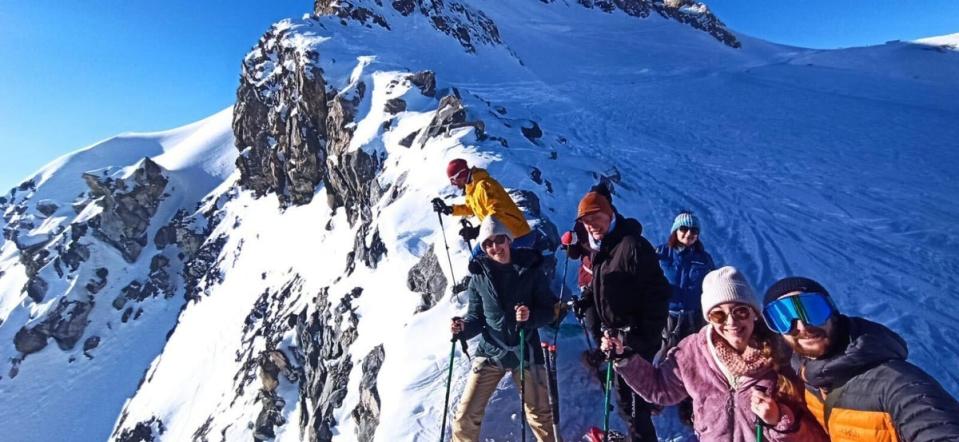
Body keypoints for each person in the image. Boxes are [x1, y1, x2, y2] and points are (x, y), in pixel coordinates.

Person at [603, 267, 828, 442]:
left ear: (755, 314)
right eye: (719, 315)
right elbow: (661, 389)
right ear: (709, 318)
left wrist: (780, 419)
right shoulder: (692, 351)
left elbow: (816, 433)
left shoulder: (785, 356)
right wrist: (625, 359)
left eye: (740, 311)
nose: (731, 322)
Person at [761, 277, 959, 441]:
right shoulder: (805, 377)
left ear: (833, 312)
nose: (802, 327)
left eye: (812, 310)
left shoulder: (897, 383)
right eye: (784, 318)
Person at [574, 188, 671, 441]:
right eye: (586, 221)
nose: (592, 225)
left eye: (597, 217)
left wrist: (638, 337)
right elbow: (602, 285)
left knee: (636, 406)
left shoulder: (632, 246)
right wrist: (586, 301)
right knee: (627, 402)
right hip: (617, 341)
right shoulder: (603, 247)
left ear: (610, 213)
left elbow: (658, 294)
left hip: (636, 342)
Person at [450, 216, 557, 441]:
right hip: (491, 351)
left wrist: (529, 318)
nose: (494, 247)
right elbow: (476, 318)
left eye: (499, 240)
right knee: (465, 417)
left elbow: (549, 311)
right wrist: (462, 328)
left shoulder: (530, 269)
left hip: (525, 350)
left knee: (540, 416)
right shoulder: (478, 277)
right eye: (488, 244)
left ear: (508, 240)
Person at [653, 211, 716, 425]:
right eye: (684, 228)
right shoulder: (661, 253)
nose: (689, 233)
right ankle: (658, 394)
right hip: (667, 315)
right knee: (664, 354)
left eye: (694, 230)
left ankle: (687, 403)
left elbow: (712, 286)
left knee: (693, 358)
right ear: (675, 230)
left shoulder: (703, 259)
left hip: (693, 317)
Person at [432, 159, 545, 254]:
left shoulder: (484, 186)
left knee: (480, 260)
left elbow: (498, 212)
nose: (453, 184)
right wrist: (450, 209)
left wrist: (478, 230)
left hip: (517, 235)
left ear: (461, 174)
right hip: (502, 234)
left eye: (453, 179)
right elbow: (471, 207)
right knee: (479, 259)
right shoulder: (472, 187)